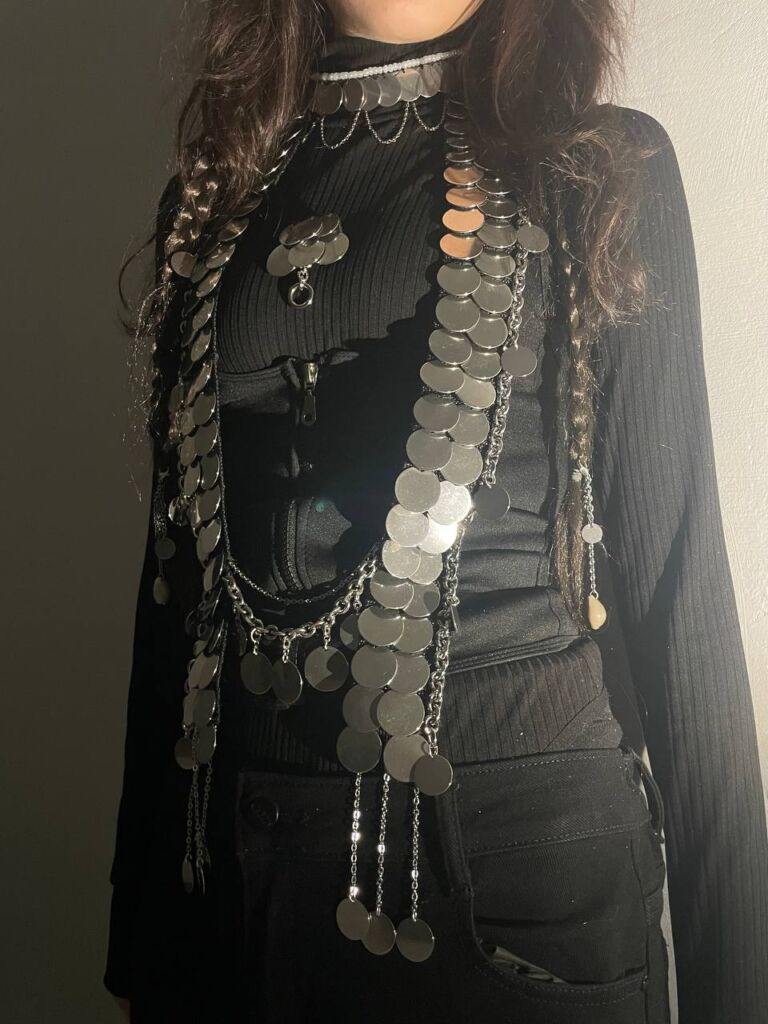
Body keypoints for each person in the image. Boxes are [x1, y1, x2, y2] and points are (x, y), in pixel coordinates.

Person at [104, 2, 768, 1022]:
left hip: (519, 904)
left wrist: (741, 990)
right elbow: (174, 593)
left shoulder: (595, 169)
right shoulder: (216, 195)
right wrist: (141, 943)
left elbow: (686, 615)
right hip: (235, 884)